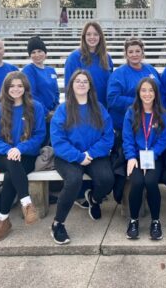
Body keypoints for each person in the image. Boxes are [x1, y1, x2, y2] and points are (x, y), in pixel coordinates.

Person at [50, 70, 114, 245]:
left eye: (85, 81)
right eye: (77, 81)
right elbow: (58, 140)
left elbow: (108, 137)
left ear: (90, 86)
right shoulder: (63, 110)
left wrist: (90, 154)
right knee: (73, 180)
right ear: (71, 85)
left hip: (94, 154)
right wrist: (78, 157)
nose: (81, 84)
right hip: (69, 156)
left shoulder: (98, 108)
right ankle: (58, 223)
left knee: (107, 179)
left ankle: (94, 199)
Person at [0, 72, 46, 243]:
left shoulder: (36, 107)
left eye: (19, 86)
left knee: (11, 175)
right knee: (12, 163)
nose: (16, 89)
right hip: (3, 156)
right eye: (12, 86)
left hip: (26, 155)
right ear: (6, 88)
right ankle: (27, 203)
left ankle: (3, 219)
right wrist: (9, 150)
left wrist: (20, 148)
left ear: (25, 88)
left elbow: (39, 134)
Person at [123, 78, 166, 240]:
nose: (147, 94)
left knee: (150, 181)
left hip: (154, 156)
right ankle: (134, 220)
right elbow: (127, 138)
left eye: (151, 90)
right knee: (136, 182)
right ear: (138, 93)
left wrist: (150, 156)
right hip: (135, 157)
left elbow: (163, 141)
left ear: (156, 93)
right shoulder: (131, 112)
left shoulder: (163, 115)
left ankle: (155, 221)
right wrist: (130, 157)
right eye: (143, 90)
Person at [107, 37, 161, 132]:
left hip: (151, 122)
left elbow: (160, 91)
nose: (134, 54)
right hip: (127, 124)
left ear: (142, 53)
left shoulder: (151, 69)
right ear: (126, 54)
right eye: (131, 52)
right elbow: (112, 99)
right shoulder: (119, 74)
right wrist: (140, 103)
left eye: (137, 51)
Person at [64, 22, 113, 108]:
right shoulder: (74, 58)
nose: (92, 37)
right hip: (82, 109)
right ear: (84, 37)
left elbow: (110, 84)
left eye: (95, 34)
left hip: (103, 108)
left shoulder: (106, 57)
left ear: (100, 37)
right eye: (88, 34)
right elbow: (68, 87)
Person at [22, 36, 60, 118]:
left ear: (45, 52)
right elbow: (31, 94)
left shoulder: (51, 70)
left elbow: (56, 92)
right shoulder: (28, 70)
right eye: (33, 52)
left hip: (53, 113)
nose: (37, 55)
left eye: (39, 51)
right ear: (30, 55)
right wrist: (46, 113)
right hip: (37, 114)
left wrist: (56, 107)